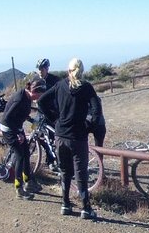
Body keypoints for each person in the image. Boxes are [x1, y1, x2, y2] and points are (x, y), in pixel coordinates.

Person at [38, 58, 102, 219]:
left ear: (68, 70)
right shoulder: (86, 88)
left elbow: (41, 101)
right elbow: (97, 110)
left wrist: (55, 119)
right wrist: (90, 127)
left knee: (65, 171)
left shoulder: (60, 85)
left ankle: (65, 204)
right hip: (78, 137)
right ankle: (86, 208)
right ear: (82, 71)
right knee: (81, 173)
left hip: (60, 136)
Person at [0, 78, 48, 200]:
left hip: (16, 127)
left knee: (26, 152)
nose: (38, 98)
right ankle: (19, 188)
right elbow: (8, 117)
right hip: (9, 129)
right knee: (20, 155)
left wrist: (32, 121)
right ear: (34, 91)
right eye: (38, 95)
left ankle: (28, 182)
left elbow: (21, 114)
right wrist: (17, 134)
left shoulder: (27, 97)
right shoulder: (20, 98)